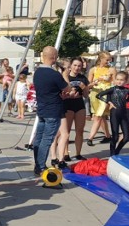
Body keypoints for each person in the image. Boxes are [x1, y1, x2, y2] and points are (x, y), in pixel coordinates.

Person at [32, 47, 77, 176]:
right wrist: (64, 76)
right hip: (53, 110)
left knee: (39, 139)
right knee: (47, 139)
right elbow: (68, 89)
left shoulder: (38, 72)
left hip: (42, 110)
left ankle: (37, 164)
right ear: (54, 57)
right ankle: (40, 166)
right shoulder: (54, 74)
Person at [55, 57, 89, 166]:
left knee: (80, 131)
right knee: (66, 132)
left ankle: (78, 153)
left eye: (79, 66)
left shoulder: (83, 78)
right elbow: (62, 91)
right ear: (70, 66)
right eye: (75, 65)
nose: (77, 68)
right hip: (67, 105)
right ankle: (65, 154)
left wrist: (84, 88)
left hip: (79, 105)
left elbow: (86, 95)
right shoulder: (65, 76)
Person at [96, 71, 129, 156]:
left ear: (126, 81)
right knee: (115, 137)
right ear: (115, 80)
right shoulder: (113, 89)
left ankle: (117, 151)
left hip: (123, 114)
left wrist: (125, 102)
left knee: (127, 137)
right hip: (114, 114)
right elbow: (99, 95)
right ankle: (112, 154)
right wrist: (109, 102)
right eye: (117, 79)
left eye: (122, 80)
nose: (119, 81)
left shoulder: (127, 90)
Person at [87, 52, 115, 146]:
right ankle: (107, 136)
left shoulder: (111, 70)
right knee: (101, 116)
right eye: (107, 59)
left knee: (98, 116)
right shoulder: (93, 70)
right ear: (101, 59)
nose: (109, 61)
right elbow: (88, 84)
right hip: (95, 93)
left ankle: (90, 138)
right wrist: (94, 82)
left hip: (106, 94)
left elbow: (116, 83)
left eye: (110, 59)